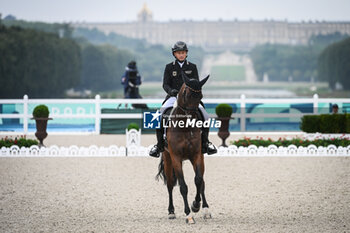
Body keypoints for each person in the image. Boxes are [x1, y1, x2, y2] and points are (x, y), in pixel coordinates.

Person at [149, 41, 217, 158]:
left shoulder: (192, 67)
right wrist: (171, 92)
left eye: (183, 52)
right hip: (173, 97)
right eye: (179, 53)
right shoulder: (169, 67)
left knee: (205, 116)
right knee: (159, 116)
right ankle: (159, 145)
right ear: (174, 54)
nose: (181, 55)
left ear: (186, 54)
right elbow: (165, 84)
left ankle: (206, 143)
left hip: (190, 99)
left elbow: (196, 84)